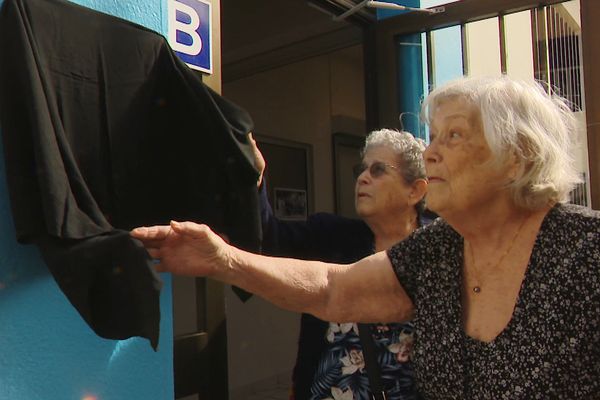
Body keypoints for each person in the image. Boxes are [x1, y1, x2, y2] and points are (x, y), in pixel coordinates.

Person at [131, 76, 600, 398]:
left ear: (516, 157)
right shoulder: (437, 250)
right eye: (432, 136)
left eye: (453, 136)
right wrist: (221, 259)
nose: (431, 153)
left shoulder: (586, 252)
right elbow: (335, 290)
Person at [250, 129, 428, 400]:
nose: (363, 178)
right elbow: (268, 239)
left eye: (378, 170)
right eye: (362, 169)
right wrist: (256, 177)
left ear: (415, 190)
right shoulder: (332, 236)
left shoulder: (441, 250)